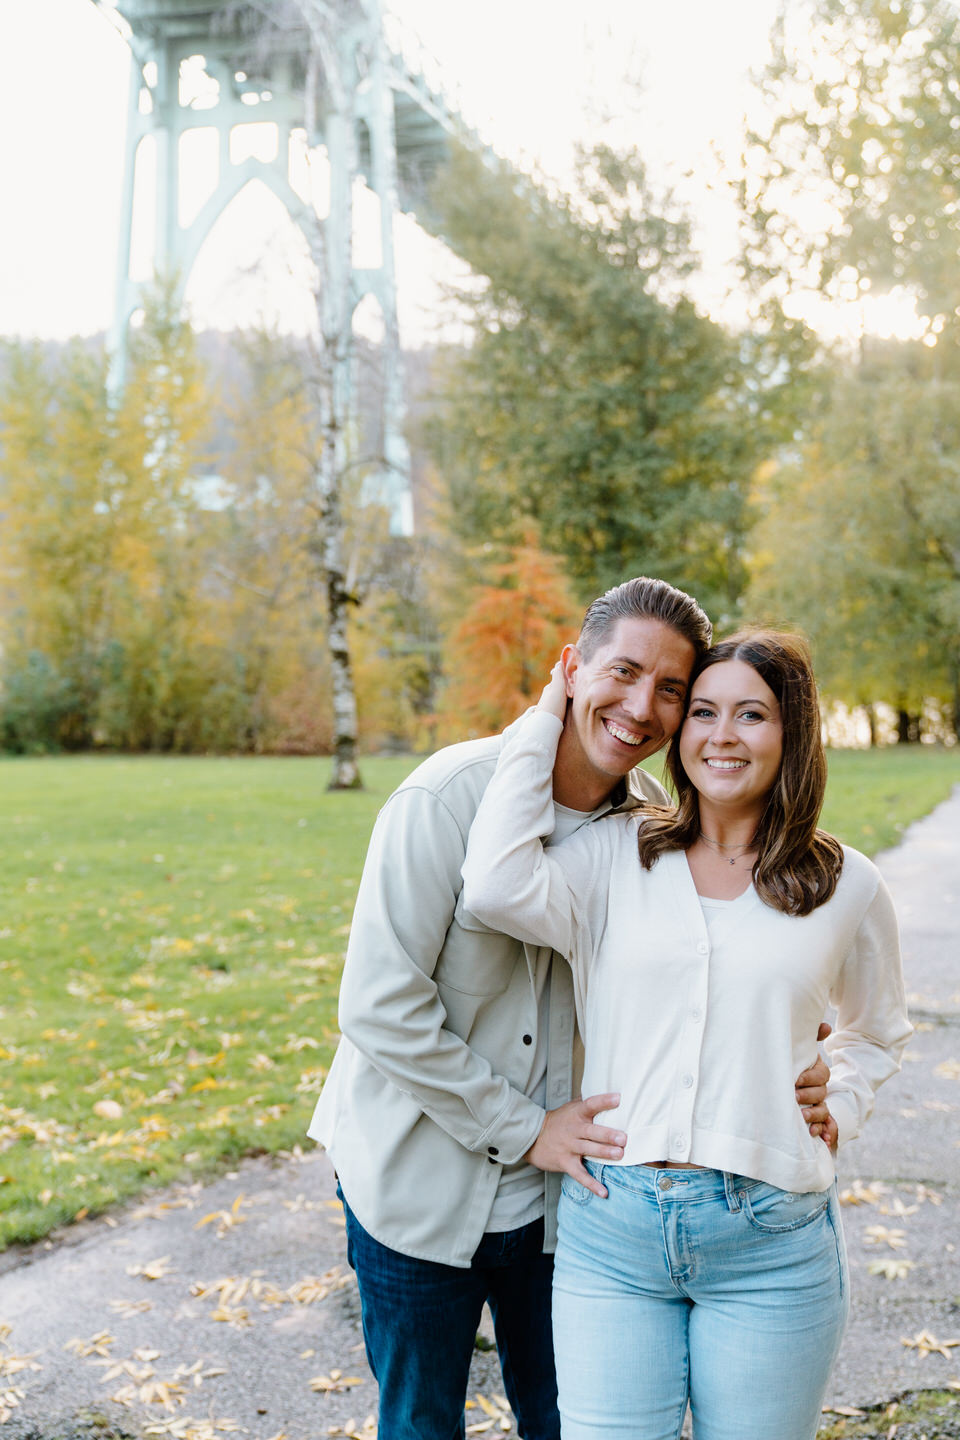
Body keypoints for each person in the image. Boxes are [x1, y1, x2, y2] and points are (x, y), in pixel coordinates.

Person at [309, 582, 835, 1440]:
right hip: (414, 1186)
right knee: (418, 1422)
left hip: (571, 1205)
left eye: (672, 690)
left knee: (565, 1423)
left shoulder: (650, 844)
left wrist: (809, 1070)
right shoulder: (445, 799)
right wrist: (523, 1128)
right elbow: (378, 1008)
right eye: (622, 672)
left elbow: (731, 977)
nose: (640, 707)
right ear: (571, 667)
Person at [461, 628, 912, 1440]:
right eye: (703, 712)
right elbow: (494, 886)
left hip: (770, 1239)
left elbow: (876, 1032)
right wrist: (547, 711)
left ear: (794, 733)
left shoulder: (845, 884)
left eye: (752, 715)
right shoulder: (615, 854)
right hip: (615, 1234)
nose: (722, 735)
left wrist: (839, 1097)